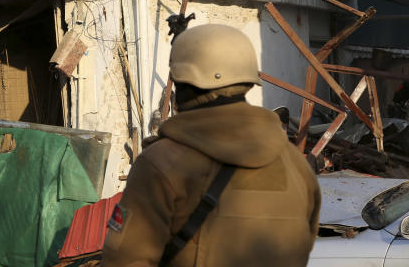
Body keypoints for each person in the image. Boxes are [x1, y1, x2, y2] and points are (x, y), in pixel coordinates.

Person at [102, 24, 321, 267]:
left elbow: (123, 261)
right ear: (247, 81)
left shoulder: (161, 164)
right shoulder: (297, 166)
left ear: (183, 84)